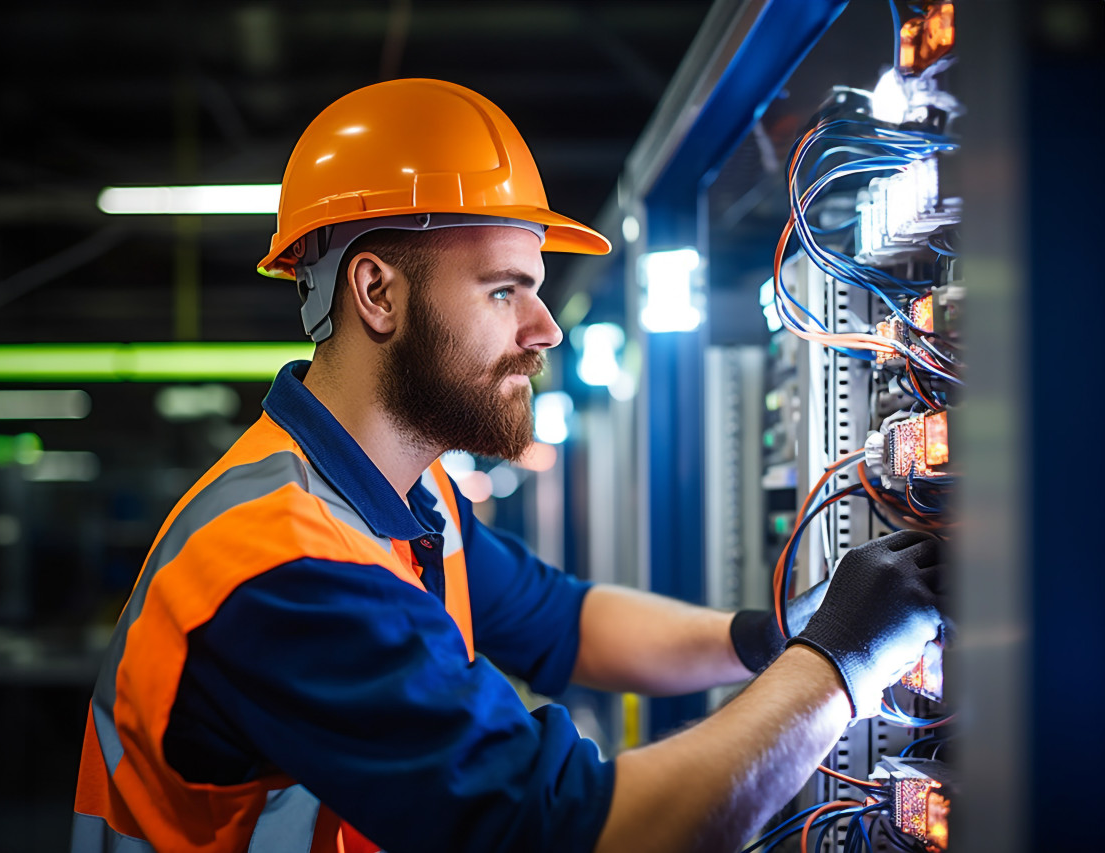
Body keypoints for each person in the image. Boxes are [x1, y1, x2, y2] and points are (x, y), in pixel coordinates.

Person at [71, 79, 944, 853]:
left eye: (535, 284)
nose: (546, 327)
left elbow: (563, 622)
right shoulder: (275, 565)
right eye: (503, 290)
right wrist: (841, 664)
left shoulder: (407, 496)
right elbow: (576, 829)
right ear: (377, 293)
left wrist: (775, 635)